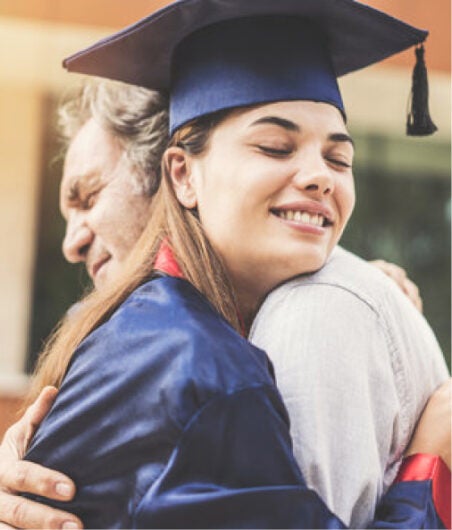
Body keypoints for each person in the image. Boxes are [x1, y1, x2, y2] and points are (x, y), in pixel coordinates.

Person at [10, 1, 450, 528]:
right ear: (183, 175)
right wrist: (432, 465)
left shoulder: (147, 332)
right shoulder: (204, 368)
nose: (320, 176)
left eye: (339, 159)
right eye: (273, 146)